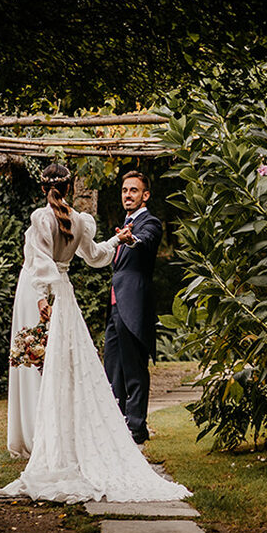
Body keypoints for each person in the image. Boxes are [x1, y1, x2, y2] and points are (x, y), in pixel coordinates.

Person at [0, 162, 190, 503]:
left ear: (43, 188)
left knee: (54, 368)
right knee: (71, 369)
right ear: (71, 188)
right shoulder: (81, 221)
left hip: (46, 295)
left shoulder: (42, 218)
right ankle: (71, 439)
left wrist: (41, 297)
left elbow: (41, 262)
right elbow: (97, 256)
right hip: (66, 297)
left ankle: (55, 441)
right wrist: (116, 238)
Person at [105, 169, 163, 444]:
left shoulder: (150, 222)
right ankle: (117, 426)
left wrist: (132, 240)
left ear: (145, 195)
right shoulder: (124, 223)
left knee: (134, 368)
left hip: (134, 305)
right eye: (125, 190)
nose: (128, 195)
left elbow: (146, 240)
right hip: (115, 305)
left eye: (134, 190)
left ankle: (137, 428)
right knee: (113, 367)